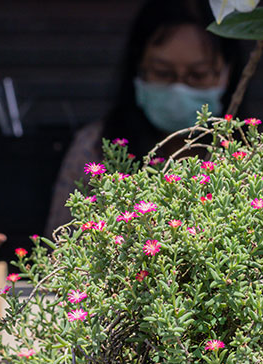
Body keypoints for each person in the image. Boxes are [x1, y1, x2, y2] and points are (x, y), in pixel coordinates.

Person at [45, 0, 242, 235]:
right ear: (138, 68)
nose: (178, 88)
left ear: (227, 74)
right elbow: (58, 249)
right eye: (162, 73)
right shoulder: (94, 149)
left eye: (197, 75)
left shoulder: (249, 156)